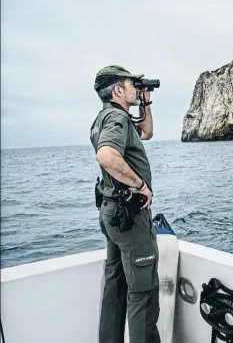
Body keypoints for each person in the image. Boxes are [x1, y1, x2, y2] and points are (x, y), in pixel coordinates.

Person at [90, 65, 160, 343]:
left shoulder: (107, 117)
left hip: (112, 213)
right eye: (132, 84)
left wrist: (145, 102)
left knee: (115, 287)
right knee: (142, 293)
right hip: (130, 217)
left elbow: (147, 133)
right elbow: (106, 156)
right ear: (118, 90)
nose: (136, 88)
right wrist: (140, 185)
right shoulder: (117, 119)